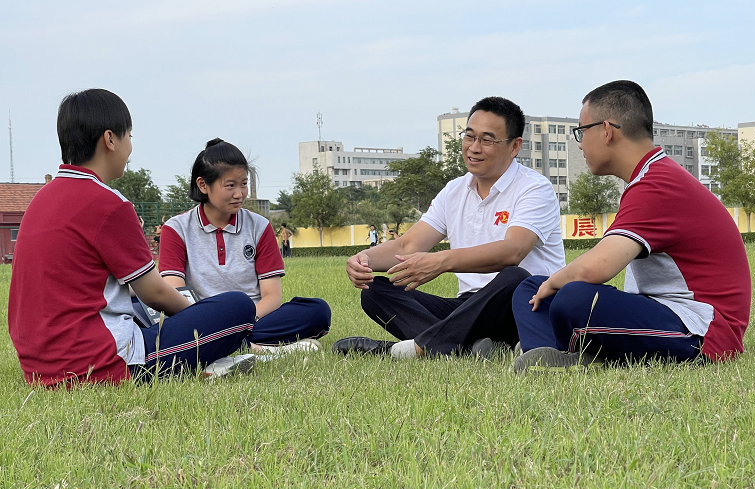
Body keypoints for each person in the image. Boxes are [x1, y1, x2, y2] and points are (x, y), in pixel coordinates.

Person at [8, 89, 257, 386]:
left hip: (39, 366)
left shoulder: (41, 199)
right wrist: (200, 316)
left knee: (137, 306)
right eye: (130, 137)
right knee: (238, 309)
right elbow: (156, 294)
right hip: (98, 364)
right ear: (110, 139)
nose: (129, 148)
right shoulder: (108, 203)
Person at [512, 80, 751, 373]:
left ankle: (561, 349)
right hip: (660, 311)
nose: (580, 143)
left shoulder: (658, 184)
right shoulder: (650, 178)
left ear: (607, 131)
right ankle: (554, 356)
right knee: (530, 287)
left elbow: (596, 268)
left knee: (571, 298)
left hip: (702, 330)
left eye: (581, 132)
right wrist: (549, 284)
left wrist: (554, 282)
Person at [334, 96, 565, 359]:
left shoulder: (534, 188)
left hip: (524, 304)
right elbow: (407, 245)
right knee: (375, 292)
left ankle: (410, 349)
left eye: (487, 140)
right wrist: (363, 259)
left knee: (516, 277)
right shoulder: (455, 190)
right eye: (469, 136)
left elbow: (512, 251)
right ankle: (465, 347)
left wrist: (441, 261)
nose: (474, 148)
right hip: (467, 306)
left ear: (514, 146)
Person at [159, 139, 331, 354]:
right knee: (145, 317)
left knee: (317, 311)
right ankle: (257, 347)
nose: (239, 193)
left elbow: (272, 296)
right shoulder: (177, 229)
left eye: (243, 183)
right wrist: (211, 325)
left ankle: (226, 344)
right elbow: (176, 292)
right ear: (203, 185)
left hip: (254, 317)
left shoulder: (259, 226)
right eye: (230, 185)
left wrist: (240, 324)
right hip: (199, 319)